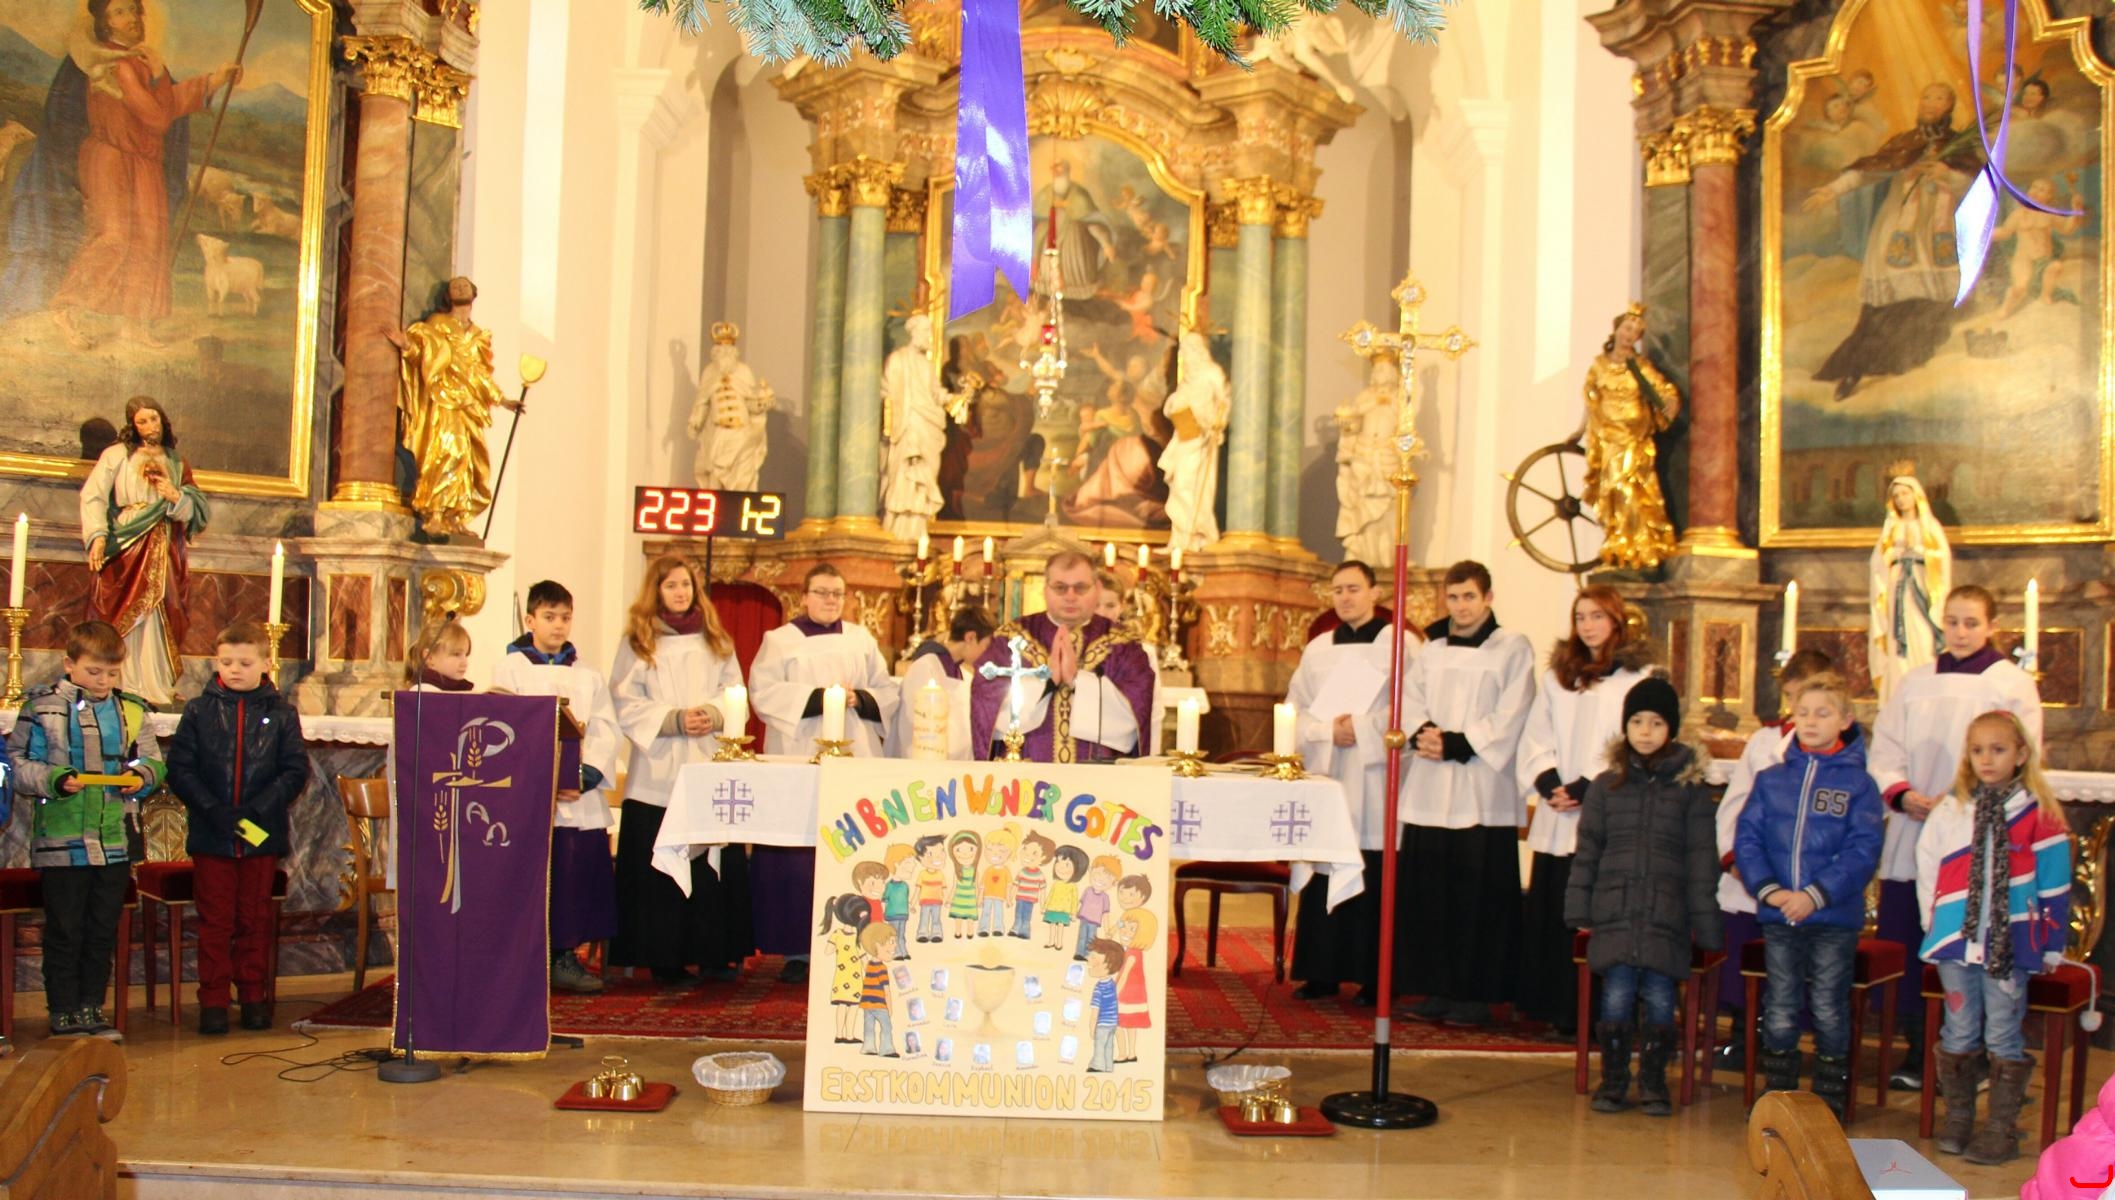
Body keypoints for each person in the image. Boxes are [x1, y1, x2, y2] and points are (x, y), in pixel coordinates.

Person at [1868, 583, 2041, 1090]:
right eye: (1952, 622)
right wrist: (1903, 794)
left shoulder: (2010, 683)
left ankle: (1979, 1055)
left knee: (1974, 944)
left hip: (1980, 830)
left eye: (1971, 623)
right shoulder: (1915, 681)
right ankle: (1919, 1049)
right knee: (1912, 938)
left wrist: (1963, 799)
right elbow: (1885, 749)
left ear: (1992, 627)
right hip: (1915, 823)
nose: (1960, 632)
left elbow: (2026, 751)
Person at [34, 0, 240, 349]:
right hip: (112, 160)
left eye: (133, 10)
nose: (131, 18)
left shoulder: (139, 60)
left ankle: (135, 324)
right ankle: (65, 309)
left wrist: (212, 82)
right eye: (119, 12)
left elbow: (166, 104)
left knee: (148, 240)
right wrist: (159, 76)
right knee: (114, 237)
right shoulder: (117, 65)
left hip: (143, 162)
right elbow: (157, 117)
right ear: (106, 23)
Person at [1916, 710, 2071, 1166]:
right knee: (1958, 1027)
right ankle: (1959, 1118)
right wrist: (1933, 921)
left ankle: (2000, 1129)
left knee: (2003, 1030)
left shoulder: (2038, 814)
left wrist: (2051, 943)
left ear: (2020, 754)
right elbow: (1928, 865)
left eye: (1998, 750)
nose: (1986, 759)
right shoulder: (1952, 809)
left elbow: (2055, 884)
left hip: (2011, 944)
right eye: (1977, 750)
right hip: (1956, 940)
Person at [1564, 677, 1720, 1116]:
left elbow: (1701, 860)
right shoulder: (1605, 786)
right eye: (1637, 722)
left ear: (1671, 729)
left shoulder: (1690, 790)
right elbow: (1588, 851)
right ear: (1625, 727)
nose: (1646, 731)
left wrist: (1706, 925)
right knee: (1615, 996)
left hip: (1666, 915)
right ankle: (1614, 1080)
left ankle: (1653, 1082)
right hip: (1615, 911)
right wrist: (1579, 908)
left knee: (1660, 998)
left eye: (1656, 723)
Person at [1735, 672, 1885, 1119]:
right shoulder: (1771, 780)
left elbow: (1863, 851)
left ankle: (1828, 1100)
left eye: (1823, 713)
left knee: (1828, 1006)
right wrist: (1771, 891)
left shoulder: (1859, 785)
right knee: (1780, 1004)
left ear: (1845, 720)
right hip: (1780, 914)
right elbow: (1748, 839)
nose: (1811, 721)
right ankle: (1779, 1095)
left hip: (1832, 919)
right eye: (1803, 713)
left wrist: (1816, 895)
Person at [8, 620, 165, 1040]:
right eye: (94, 671)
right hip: (61, 841)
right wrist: (55, 779)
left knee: (100, 929)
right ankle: (62, 1009)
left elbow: (151, 760)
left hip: (113, 839)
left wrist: (141, 776)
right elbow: (19, 764)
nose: (103, 681)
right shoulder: (41, 708)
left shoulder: (130, 709)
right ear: (69, 664)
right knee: (65, 928)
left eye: (111, 673)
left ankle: (91, 1006)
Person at [1396, 561, 1535, 1028]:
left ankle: (1476, 995)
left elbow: (1514, 710)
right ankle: (1436, 987)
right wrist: (1425, 733)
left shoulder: (1512, 647)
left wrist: (1459, 742)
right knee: (1431, 894)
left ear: (1488, 598)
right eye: (1453, 598)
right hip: (1431, 787)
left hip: (1481, 790)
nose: (1461, 606)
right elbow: (1409, 699)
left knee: (1479, 898)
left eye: (1469, 597)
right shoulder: (1431, 649)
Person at [1514, 586, 1655, 1034]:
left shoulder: (1639, 678)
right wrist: (1547, 781)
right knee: (1557, 909)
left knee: (1598, 914)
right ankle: (1554, 1006)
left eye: (1597, 616)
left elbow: (1639, 742)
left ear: (1616, 621)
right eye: (1580, 617)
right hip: (1559, 812)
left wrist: (1588, 785)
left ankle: (1598, 1012)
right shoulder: (1559, 678)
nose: (1588, 626)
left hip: (1607, 810)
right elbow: (1536, 735)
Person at [608, 554, 752, 986]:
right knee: (660, 870)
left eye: (686, 585)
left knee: (709, 867)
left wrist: (714, 712)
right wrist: (673, 720)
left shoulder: (714, 639)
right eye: (671, 585)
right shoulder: (639, 641)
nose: (680, 592)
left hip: (708, 763)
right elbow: (623, 700)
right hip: (658, 771)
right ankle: (664, 959)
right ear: (656, 590)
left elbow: (735, 690)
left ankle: (714, 954)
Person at [751, 563, 898, 981]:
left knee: (851, 843)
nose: (831, 600)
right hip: (800, 751)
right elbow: (763, 693)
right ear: (804, 597)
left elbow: (886, 690)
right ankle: (798, 949)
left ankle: (859, 937)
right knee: (800, 852)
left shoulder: (861, 638)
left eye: (837, 593)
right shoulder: (780, 640)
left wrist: (860, 699)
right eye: (822, 592)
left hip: (855, 753)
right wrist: (820, 699)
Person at [165, 621, 309, 1034]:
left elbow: (294, 770)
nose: (234, 670)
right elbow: (181, 768)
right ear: (216, 662)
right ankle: (212, 1001)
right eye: (226, 662)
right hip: (213, 833)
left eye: (245, 663)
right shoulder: (198, 710)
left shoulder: (281, 713)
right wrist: (214, 809)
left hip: (260, 834)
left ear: (265, 664)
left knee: (253, 919)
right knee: (215, 921)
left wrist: (257, 808)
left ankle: (252, 997)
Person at [1288, 561, 1419, 1006]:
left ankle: (1374, 977)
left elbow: (1413, 706)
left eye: (1354, 589)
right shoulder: (1318, 649)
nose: (1345, 597)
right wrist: (1328, 732)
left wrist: (1361, 729)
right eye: (1338, 590)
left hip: (1376, 776)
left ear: (1375, 592)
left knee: (1375, 868)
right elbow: (1295, 710)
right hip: (1330, 773)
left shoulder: (1400, 644)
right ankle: (1321, 972)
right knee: (1327, 863)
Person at [1801, 84, 1984, 399]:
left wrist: (1947, 174)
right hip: (1900, 228)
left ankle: (1910, 364)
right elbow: (1869, 171)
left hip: (1938, 232)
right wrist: (1832, 190)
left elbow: (1979, 187)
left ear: (1950, 107)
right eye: (1926, 97)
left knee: (1931, 302)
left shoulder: (1959, 147)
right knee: (1886, 304)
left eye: (1939, 98)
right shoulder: (1904, 142)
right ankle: (1856, 368)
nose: (1930, 103)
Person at [493, 580, 623, 995]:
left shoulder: (587, 675)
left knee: (573, 878)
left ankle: (565, 955)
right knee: (530, 880)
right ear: (530, 620)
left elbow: (605, 729)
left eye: (565, 617)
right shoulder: (510, 670)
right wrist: (540, 781)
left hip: (576, 799)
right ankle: (524, 961)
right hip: (528, 800)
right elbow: (503, 729)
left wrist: (582, 776)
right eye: (549, 617)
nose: (559, 625)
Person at [1711, 648, 1836, 1070]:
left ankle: (1786, 1044)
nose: (1804, 714)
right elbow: (1736, 804)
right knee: (1744, 956)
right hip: (1754, 875)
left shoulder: (1843, 752)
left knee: (1797, 969)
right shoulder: (1765, 742)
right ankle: (1742, 1032)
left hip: (1807, 884)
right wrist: (1737, 861)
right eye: (1794, 699)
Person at [80, 396, 209, 707]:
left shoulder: (176, 461)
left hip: (165, 542)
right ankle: (121, 680)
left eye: (154, 419)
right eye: (142, 421)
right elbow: (93, 495)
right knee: (121, 606)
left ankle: (156, 682)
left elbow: (198, 508)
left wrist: (176, 496)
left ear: (162, 420)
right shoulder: (116, 455)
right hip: (127, 542)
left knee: (164, 608)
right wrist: (98, 536)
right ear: (133, 425)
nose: (150, 426)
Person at [968, 552, 1156, 764]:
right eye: (1060, 587)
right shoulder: (1011, 638)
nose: (1070, 596)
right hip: (1027, 775)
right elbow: (985, 702)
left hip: (1098, 778)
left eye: (1080, 588)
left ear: (1097, 589)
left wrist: (1077, 681)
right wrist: (1046, 682)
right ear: (1045, 589)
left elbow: (1135, 714)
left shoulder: (1123, 645)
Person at [393, 276, 522, 537]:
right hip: (443, 399)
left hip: (469, 405)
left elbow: (480, 373)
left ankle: (455, 516)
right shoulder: (437, 324)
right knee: (449, 452)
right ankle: (435, 512)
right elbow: (424, 354)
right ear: (448, 296)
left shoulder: (478, 336)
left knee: (469, 462)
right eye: (455, 286)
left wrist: (502, 400)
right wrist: (406, 345)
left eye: (464, 285)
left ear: (474, 293)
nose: (460, 287)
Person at [1576, 304, 1680, 570]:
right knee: (1612, 490)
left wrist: (1670, 401)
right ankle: (1619, 541)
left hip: (1634, 438)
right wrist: (1578, 432)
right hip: (1608, 438)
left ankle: (1638, 545)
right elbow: (1591, 404)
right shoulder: (1599, 366)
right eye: (1626, 328)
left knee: (1630, 487)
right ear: (1616, 330)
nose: (1629, 334)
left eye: (1635, 331)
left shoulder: (1640, 367)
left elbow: (1663, 389)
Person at [1867, 468, 1951, 703]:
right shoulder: (1891, 527)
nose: (1901, 499)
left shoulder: (1929, 525)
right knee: (1897, 639)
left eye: (1905, 494)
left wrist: (1921, 553)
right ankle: (1898, 693)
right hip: (1897, 590)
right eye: (1897, 496)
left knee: (1923, 637)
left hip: (1922, 588)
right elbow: (1877, 561)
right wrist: (1893, 554)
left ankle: (1926, 690)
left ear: (1916, 495)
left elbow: (1942, 558)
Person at [888, 607, 995, 761]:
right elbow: (913, 729)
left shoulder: (965, 676)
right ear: (970, 637)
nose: (988, 655)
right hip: (926, 767)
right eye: (986, 646)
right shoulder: (925, 668)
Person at [880, 314, 949, 544]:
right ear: (914, 333)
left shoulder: (927, 365)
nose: (929, 337)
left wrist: (953, 398)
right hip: (908, 424)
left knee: (925, 475)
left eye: (930, 332)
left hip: (928, 424)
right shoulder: (898, 359)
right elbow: (887, 391)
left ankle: (916, 526)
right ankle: (899, 528)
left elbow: (935, 392)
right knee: (905, 472)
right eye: (926, 332)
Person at [1158, 332, 1230, 552]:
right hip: (1185, 436)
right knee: (1180, 484)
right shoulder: (1188, 379)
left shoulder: (1212, 372)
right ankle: (1181, 539)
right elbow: (1173, 404)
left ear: (1198, 351)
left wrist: (1218, 422)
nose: (1185, 357)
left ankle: (1199, 536)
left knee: (1193, 485)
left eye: (1188, 352)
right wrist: (1174, 406)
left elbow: (1225, 400)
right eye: (1183, 353)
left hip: (1203, 438)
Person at [688, 322, 776, 491]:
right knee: (715, 473)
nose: (725, 353)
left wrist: (762, 403)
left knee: (742, 478)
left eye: (728, 350)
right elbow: (703, 401)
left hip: (741, 433)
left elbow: (751, 402)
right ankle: (715, 503)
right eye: (721, 350)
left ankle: (736, 503)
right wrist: (696, 421)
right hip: (719, 433)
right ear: (715, 352)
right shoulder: (709, 372)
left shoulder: (743, 371)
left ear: (734, 352)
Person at [1333, 356, 1401, 570]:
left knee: (1389, 514)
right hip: (1365, 460)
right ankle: (1364, 556)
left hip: (1388, 461)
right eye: (1377, 370)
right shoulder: (1365, 397)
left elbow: (1405, 426)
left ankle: (1387, 558)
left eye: (1385, 369)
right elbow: (1352, 421)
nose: (1380, 374)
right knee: (1363, 512)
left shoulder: (1400, 398)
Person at [1086, 938, 1124, 1073]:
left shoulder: (1099, 988)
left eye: (1094, 961)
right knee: (1108, 1046)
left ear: (1107, 966)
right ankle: (1108, 1067)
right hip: (1113, 1023)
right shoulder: (1112, 984)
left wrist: (1092, 1028)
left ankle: (1098, 1066)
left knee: (1100, 1046)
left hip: (1102, 1024)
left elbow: (1095, 1012)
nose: (1088, 962)